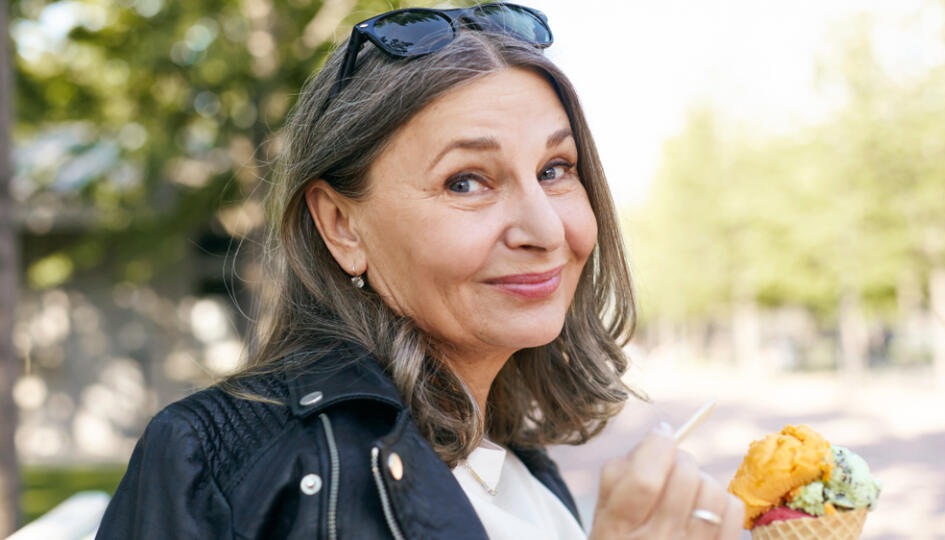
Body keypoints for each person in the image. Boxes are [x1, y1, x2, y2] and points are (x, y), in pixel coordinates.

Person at [95, 3, 744, 539]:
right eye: (467, 182)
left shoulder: (519, 470)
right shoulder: (211, 460)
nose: (545, 230)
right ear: (341, 226)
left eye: (555, 170)